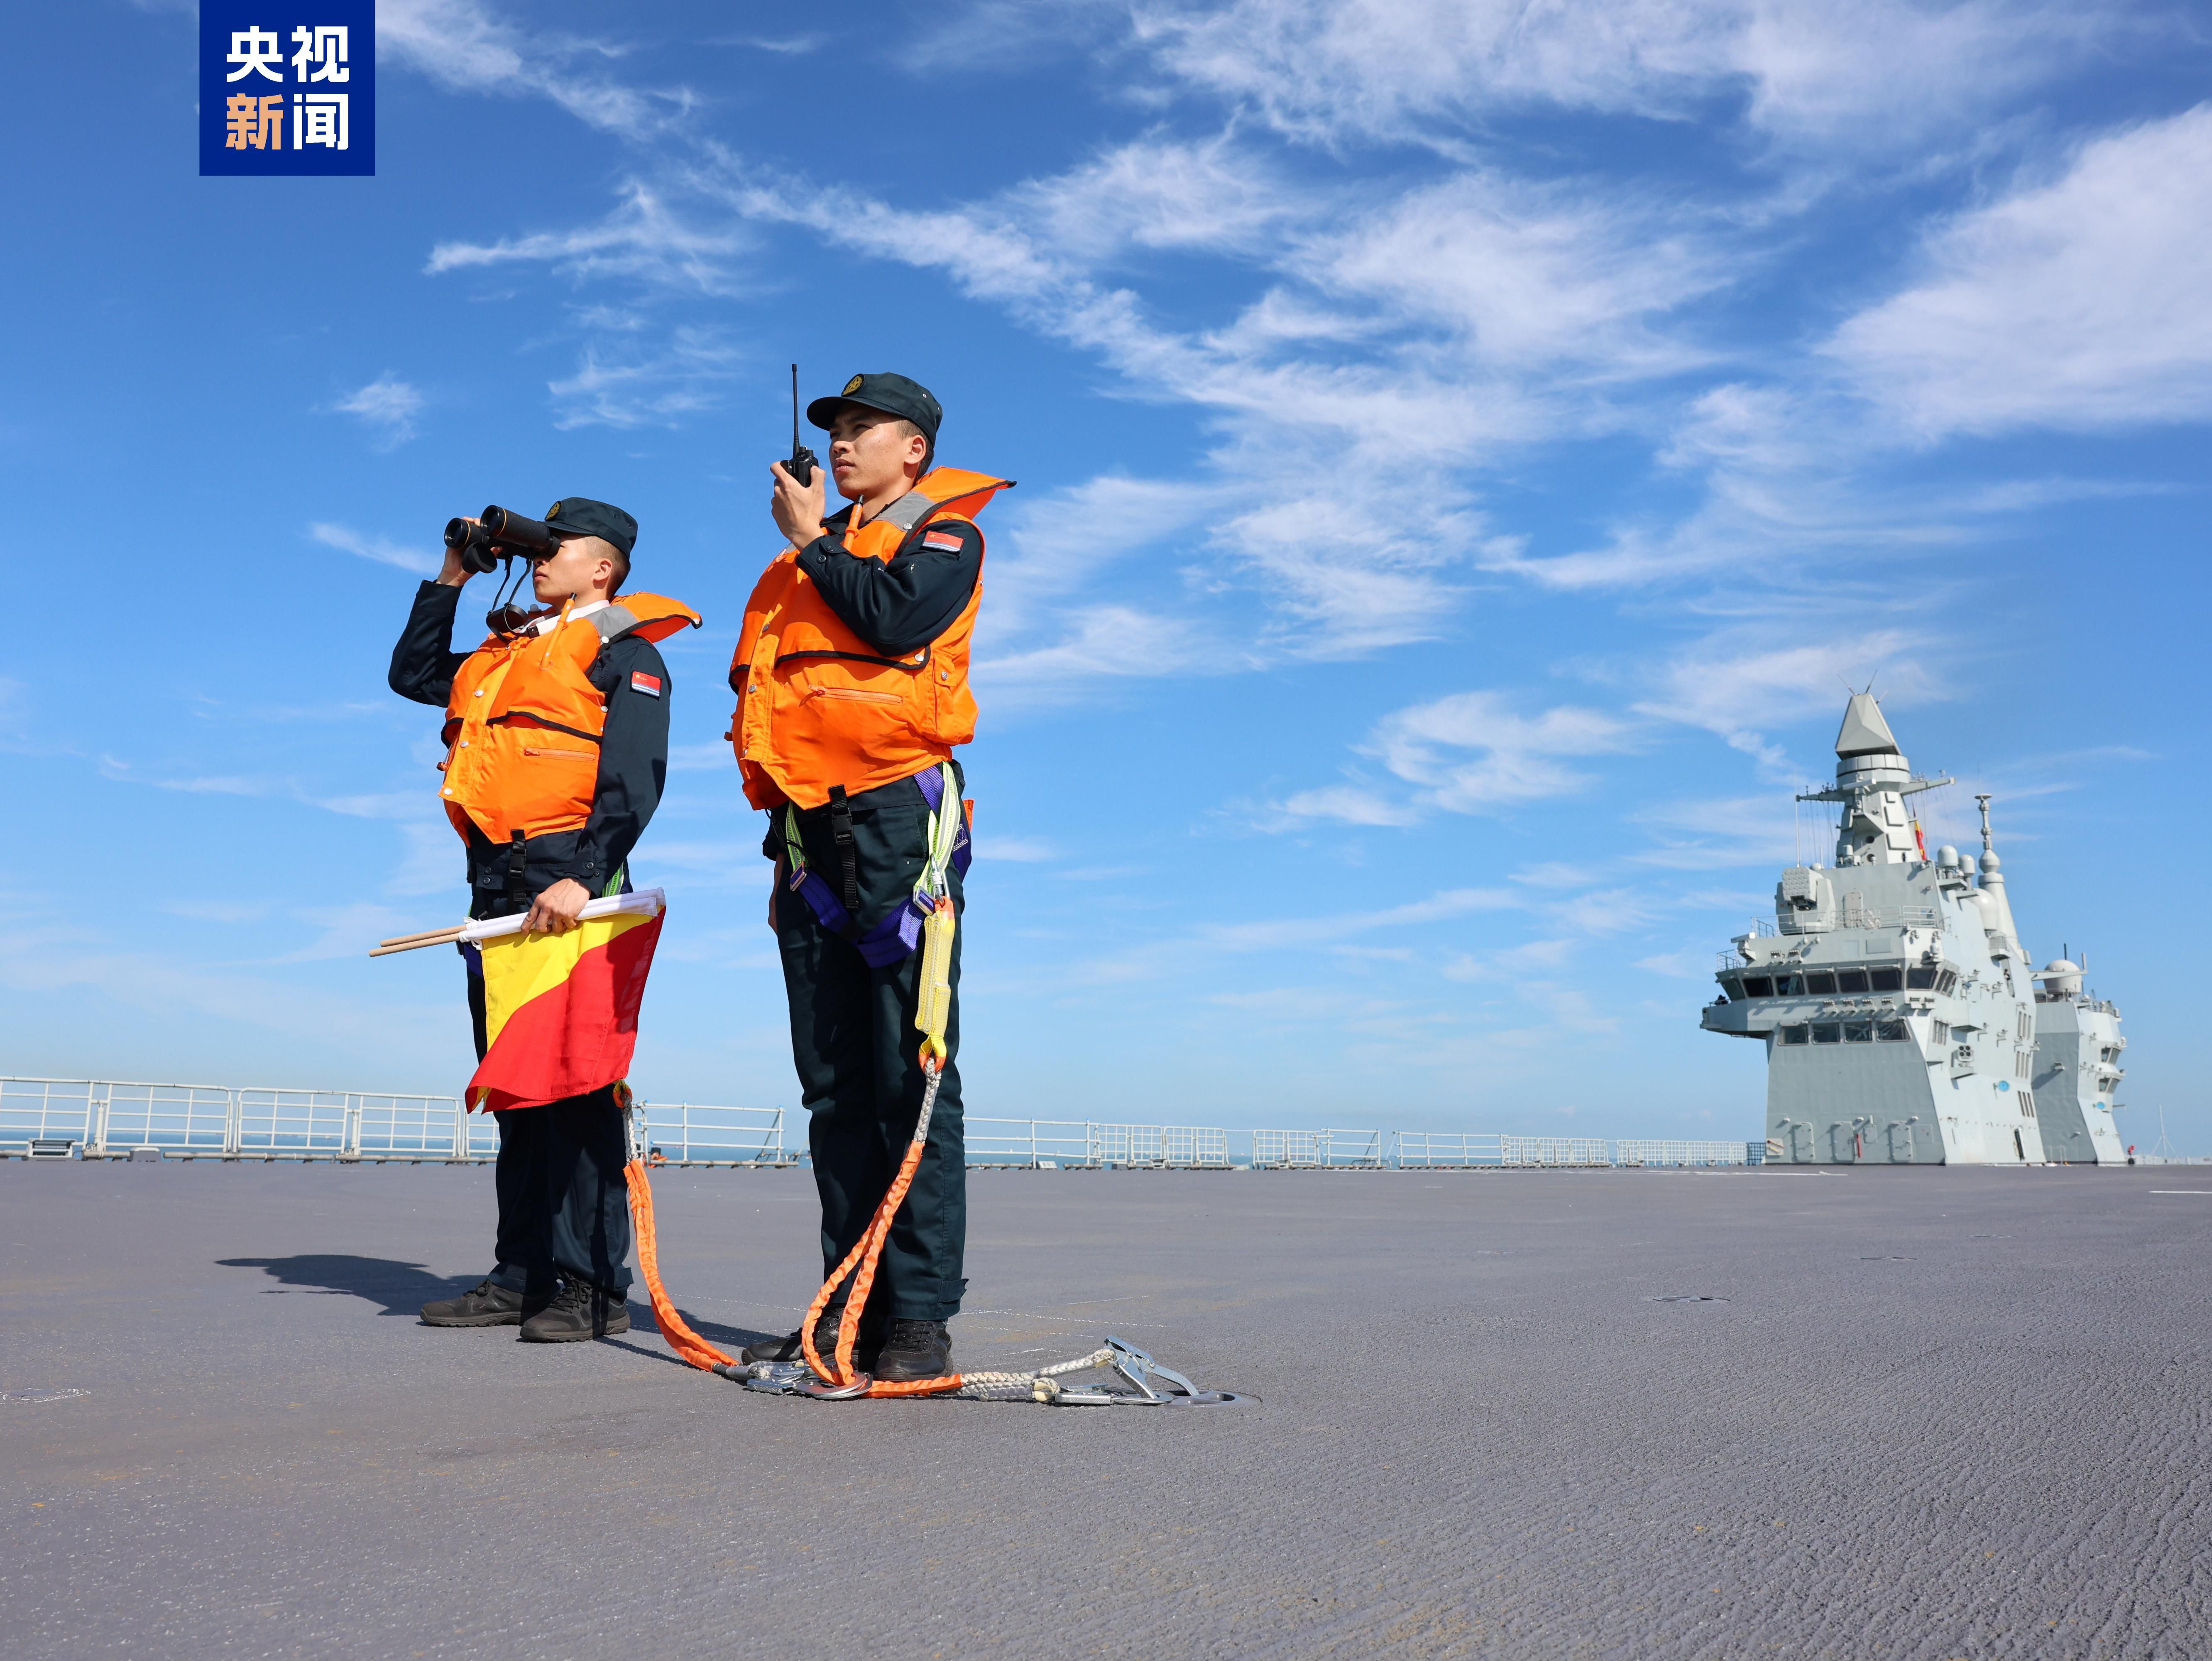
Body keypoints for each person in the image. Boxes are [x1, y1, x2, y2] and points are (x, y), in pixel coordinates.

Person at [729, 373, 1011, 1383]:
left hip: (899, 822)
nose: (842, 444)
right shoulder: (795, 565)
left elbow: (896, 622)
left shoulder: (944, 536)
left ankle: (920, 1317)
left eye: (862, 429)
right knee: (834, 1087)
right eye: (835, 431)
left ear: (914, 450)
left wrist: (814, 540)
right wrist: (811, 547)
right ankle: (846, 1309)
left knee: (911, 1070)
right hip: (808, 835)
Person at [387, 498, 699, 1341]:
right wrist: (454, 576)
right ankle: (522, 1273)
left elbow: (635, 778)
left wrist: (583, 878)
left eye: (556, 548)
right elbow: (414, 675)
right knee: (516, 1090)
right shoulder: (509, 654)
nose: (540, 557)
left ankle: (592, 1286)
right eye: (538, 545)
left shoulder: (625, 653)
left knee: (576, 1090)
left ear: (602, 568)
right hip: (495, 886)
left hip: (569, 886)